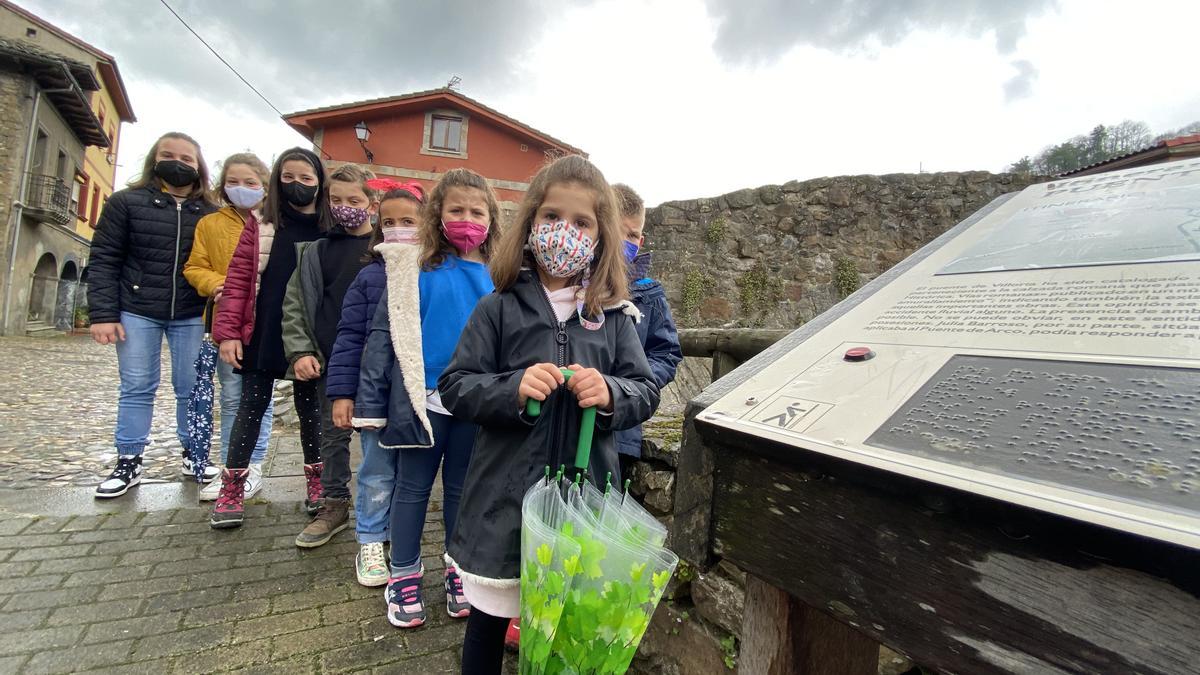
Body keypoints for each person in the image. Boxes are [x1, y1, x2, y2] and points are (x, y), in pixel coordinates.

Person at [438, 155, 659, 673]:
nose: (566, 231)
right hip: (503, 498)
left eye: (582, 222)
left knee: (565, 628)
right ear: (530, 223)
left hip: (582, 502)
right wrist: (513, 389)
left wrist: (610, 392)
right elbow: (456, 386)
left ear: (602, 235)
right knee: (489, 622)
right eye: (552, 217)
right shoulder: (497, 307)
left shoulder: (614, 318)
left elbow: (645, 390)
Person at [354, 169, 499, 628]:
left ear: (492, 219)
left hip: (475, 403)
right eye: (456, 209)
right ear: (437, 215)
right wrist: (370, 404)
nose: (467, 219)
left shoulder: (502, 274)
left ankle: (456, 568)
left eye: (477, 211)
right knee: (412, 489)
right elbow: (384, 334)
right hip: (425, 401)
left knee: (462, 491)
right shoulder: (413, 268)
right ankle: (404, 573)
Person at [88, 132, 219, 498]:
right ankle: (128, 460)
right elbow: (104, 259)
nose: (177, 163)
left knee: (191, 388)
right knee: (137, 386)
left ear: (198, 166)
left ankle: (194, 453)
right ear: (155, 159)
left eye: (186, 158)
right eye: (168, 155)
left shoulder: (210, 213)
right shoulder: (126, 202)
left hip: (192, 311)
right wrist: (102, 313)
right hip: (136, 309)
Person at [209, 148, 334, 528]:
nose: (297, 185)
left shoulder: (330, 227)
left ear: (319, 183)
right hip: (262, 326)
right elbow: (238, 279)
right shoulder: (262, 223)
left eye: (306, 179)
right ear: (278, 180)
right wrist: (229, 332)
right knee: (251, 407)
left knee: (310, 410)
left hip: (309, 332)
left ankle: (318, 484)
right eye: (289, 177)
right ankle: (232, 486)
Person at [324, 180, 426, 586]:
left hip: (415, 393)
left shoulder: (432, 275)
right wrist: (342, 393)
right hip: (372, 393)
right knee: (376, 470)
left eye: (408, 221)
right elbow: (348, 336)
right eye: (389, 222)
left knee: (410, 475)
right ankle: (370, 539)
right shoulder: (369, 277)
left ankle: (400, 540)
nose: (398, 228)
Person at [283, 163, 379, 548]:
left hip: (377, 364)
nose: (345, 207)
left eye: (354, 200)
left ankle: (379, 510)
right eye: (336, 200)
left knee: (378, 440)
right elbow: (295, 305)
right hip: (330, 360)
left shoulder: (384, 248)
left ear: (371, 203)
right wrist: (301, 350)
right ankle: (334, 503)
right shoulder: (317, 250)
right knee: (332, 436)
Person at [183, 153, 276, 502]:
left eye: (251, 183)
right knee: (233, 396)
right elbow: (195, 266)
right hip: (230, 314)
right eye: (234, 181)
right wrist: (216, 283)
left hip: (263, 319)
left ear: (265, 186)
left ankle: (254, 467)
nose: (242, 188)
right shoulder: (210, 224)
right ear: (222, 185)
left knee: (258, 398)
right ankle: (232, 468)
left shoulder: (271, 223)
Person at [611, 183, 682, 476]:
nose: (626, 241)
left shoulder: (649, 293)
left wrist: (634, 385)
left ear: (641, 239)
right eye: (618, 232)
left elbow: (667, 353)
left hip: (622, 429)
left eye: (632, 235)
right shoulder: (573, 286)